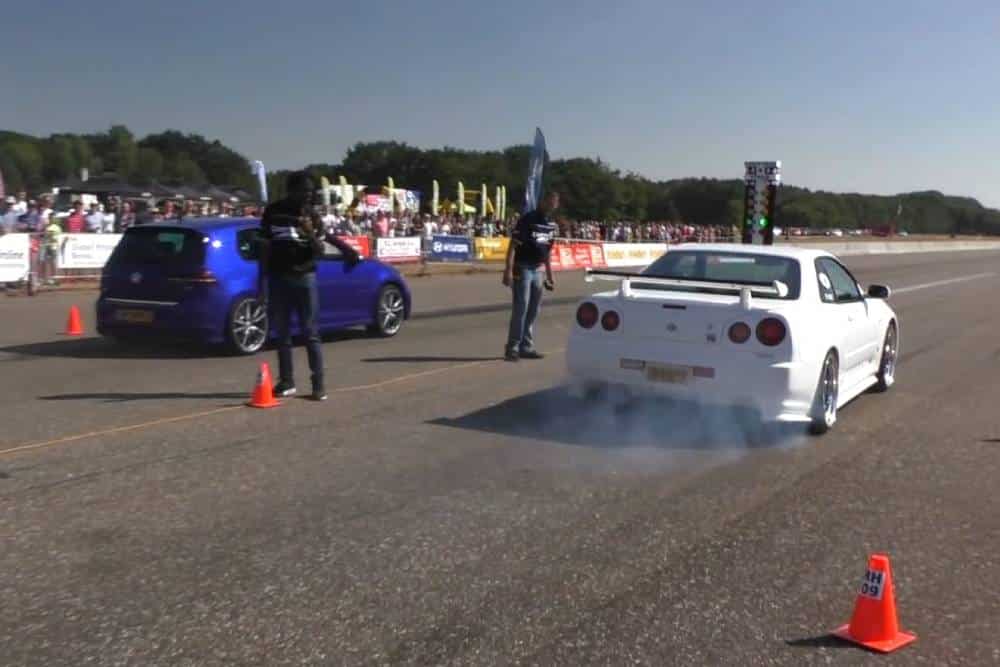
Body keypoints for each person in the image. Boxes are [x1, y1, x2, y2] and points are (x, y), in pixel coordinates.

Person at [258, 171, 327, 401]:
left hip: (305, 278)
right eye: (304, 190)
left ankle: (318, 384)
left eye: (311, 191)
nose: (308, 195)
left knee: (310, 333)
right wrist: (262, 281)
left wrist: (310, 232)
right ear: (291, 190)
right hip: (278, 278)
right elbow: (265, 248)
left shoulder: (313, 215)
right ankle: (287, 382)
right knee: (282, 333)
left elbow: (321, 250)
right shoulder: (273, 212)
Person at [502, 190, 559, 361]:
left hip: (538, 269)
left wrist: (550, 275)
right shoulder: (528, 219)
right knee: (521, 308)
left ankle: (526, 346)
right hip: (523, 267)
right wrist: (508, 270)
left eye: (554, 204)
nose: (551, 206)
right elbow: (513, 246)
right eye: (549, 202)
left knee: (533, 310)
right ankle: (512, 347)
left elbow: (547, 252)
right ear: (542, 202)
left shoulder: (550, 225)